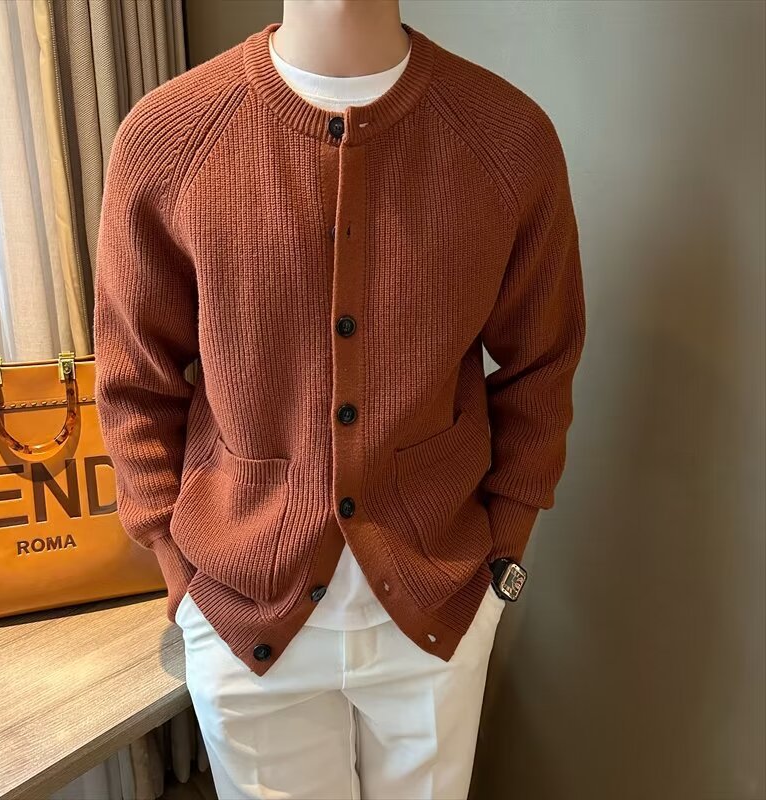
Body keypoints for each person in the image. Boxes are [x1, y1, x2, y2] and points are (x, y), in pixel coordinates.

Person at [93, 1, 586, 798]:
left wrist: (504, 554)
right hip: (242, 611)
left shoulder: (506, 138)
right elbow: (134, 379)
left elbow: (543, 362)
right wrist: (177, 571)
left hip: (439, 599)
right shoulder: (170, 136)